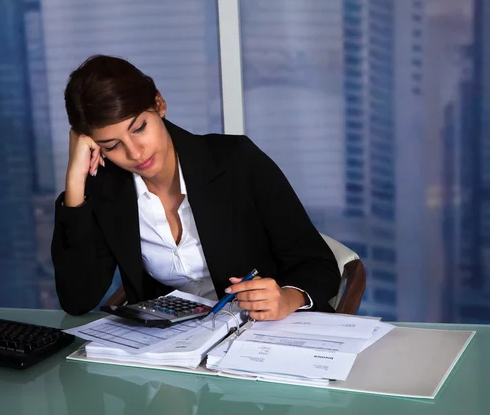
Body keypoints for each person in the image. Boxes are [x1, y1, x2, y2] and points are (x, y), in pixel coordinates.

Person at [51, 54, 340, 320]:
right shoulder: (107, 191)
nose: (135, 153)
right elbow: (77, 299)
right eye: (112, 146)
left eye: (139, 128)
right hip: (176, 351)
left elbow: (319, 265)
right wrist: (75, 184)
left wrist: (289, 297)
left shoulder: (235, 160)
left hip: (264, 334)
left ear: (159, 104)